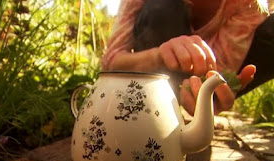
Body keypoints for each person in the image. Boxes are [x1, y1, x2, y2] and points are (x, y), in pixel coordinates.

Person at [101, 0, 274, 116]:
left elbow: (220, 67)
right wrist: (159, 56)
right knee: (162, 5)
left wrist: (210, 93)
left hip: (195, 80)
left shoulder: (248, 4)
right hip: (151, 76)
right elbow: (111, 62)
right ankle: (156, 102)